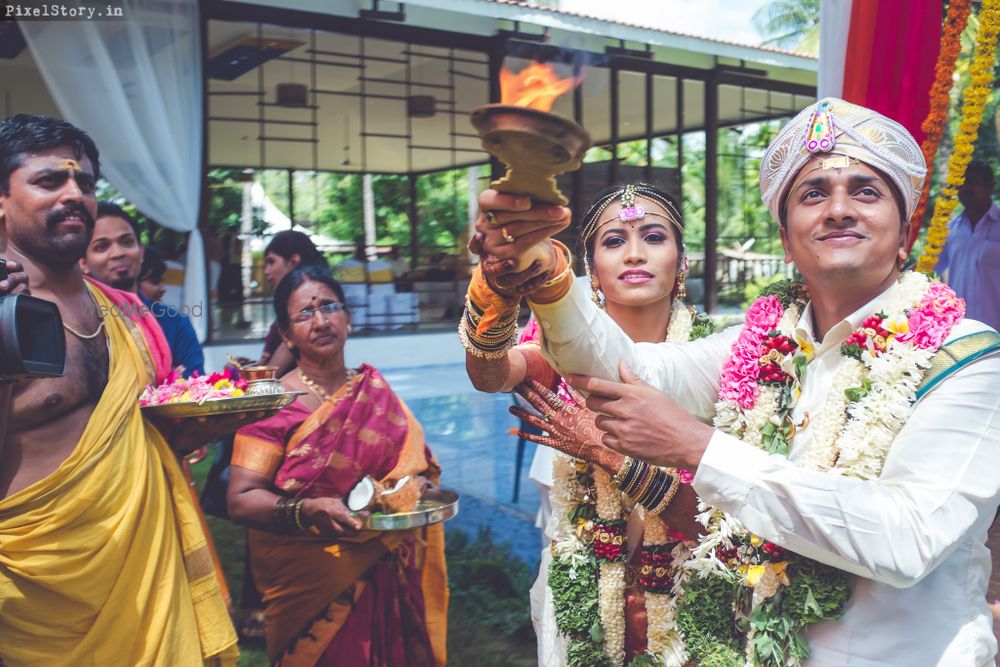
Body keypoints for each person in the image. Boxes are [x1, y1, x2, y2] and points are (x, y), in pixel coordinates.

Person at [465, 99, 1000, 665]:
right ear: (787, 238)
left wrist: (696, 447)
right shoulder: (755, 345)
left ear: (904, 231)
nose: (839, 209)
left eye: (866, 191)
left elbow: (907, 539)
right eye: (813, 193)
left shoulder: (965, 357)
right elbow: (630, 369)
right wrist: (543, 270)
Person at [0, 114, 241, 664]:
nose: (74, 195)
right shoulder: (1, 315)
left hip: (149, 583)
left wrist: (225, 415)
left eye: (84, 183)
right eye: (48, 181)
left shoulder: (128, 314)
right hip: (44, 602)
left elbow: (148, 442)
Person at [465, 182, 710, 664]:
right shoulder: (558, 353)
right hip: (585, 578)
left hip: (695, 586)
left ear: (682, 263)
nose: (634, 254)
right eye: (614, 241)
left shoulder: (720, 361)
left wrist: (610, 453)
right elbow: (489, 373)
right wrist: (494, 289)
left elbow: (726, 521)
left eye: (654, 237)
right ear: (591, 270)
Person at [228, 265, 448, 666]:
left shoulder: (375, 392)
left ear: (348, 318)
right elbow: (241, 498)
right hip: (308, 576)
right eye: (304, 314)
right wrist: (305, 510)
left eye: (329, 307)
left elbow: (416, 469)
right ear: (285, 334)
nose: (321, 320)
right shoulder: (272, 405)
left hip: (383, 563)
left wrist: (415, 489)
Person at [82, 202, 205, 376]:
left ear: (141, 252)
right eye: (102, 246)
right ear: (83, 263)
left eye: (127, 242)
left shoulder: (174, 323)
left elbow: (195, 388)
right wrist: (164, 380)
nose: (118, 253)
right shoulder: (78, 325)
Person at [937, 159, 1000, 330]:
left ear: (990, 187)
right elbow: (929, 268)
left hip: (996, 331)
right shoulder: (950, 229)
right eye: (961, 183)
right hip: (960, 331)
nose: (965, 189)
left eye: (972, 182)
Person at [259, 229, 326, 376]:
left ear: (294, 261)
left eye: (271, 262)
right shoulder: (286, 305)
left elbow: (271, 376)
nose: (266, 271)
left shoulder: (306, 309)